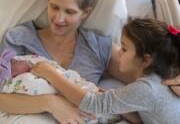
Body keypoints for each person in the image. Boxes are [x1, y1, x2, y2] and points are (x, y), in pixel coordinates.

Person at [0, 0, 179, 123]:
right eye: (54, 7)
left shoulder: (98, 47)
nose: (58, 18)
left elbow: (148, 72)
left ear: (85, 13)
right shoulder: (19, 38)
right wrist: (50, 103)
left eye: (69, 12)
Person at [32, 18, 180, 124]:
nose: (119, 52)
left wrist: (51, 74)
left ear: (146, 60)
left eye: (124, 48)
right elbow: (144, 116)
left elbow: (92, 103)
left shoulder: (146, 88)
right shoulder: (158, 79)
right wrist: (119, 104)